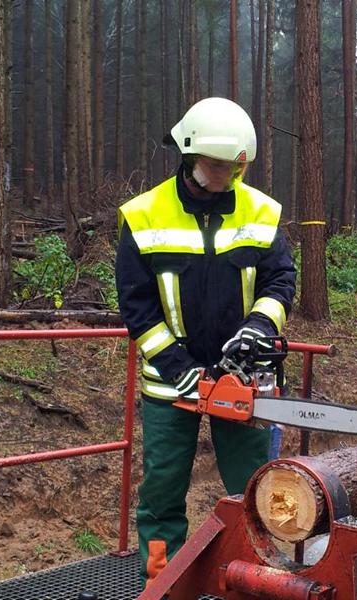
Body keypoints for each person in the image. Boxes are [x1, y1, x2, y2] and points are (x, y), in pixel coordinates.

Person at [115, 97, 296, 589]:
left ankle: (259, 581)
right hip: (170, 385)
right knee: (161, 492)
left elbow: (280, 281)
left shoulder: (261, 212)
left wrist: (259, 327)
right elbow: (137, 306)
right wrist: (178, 367)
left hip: (242, 379)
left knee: (256, 490)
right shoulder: (144, 215)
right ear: (190, 154)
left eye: (235, 167)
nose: (227, 176)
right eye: (218, 166)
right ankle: (161, 581)